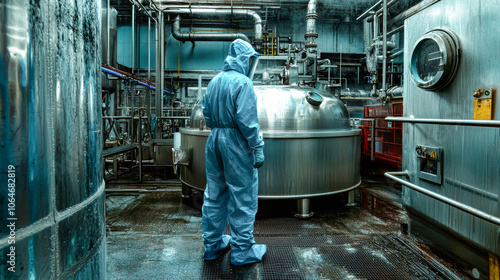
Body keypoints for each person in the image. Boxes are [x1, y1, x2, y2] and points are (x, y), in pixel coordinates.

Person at [201, 39, 266, 266]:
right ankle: (242, 251)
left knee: (214, 193)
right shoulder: (243, 83)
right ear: (244, 59)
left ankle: (212, 245)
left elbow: (206, 114)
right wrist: (257, 147)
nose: (250, 63)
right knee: (242, 195)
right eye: (249, 59)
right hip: (236, 142)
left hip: (215, 139)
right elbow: (247, 120)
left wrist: (219, 128)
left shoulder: (214, 81)